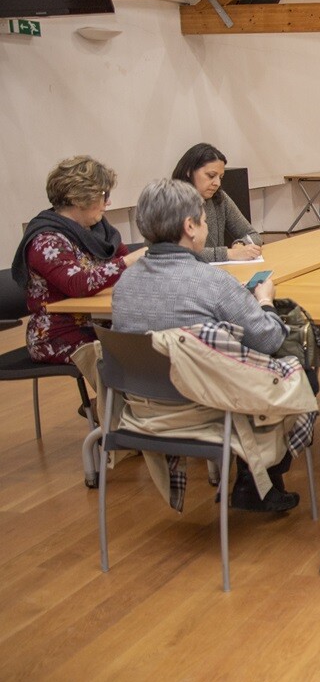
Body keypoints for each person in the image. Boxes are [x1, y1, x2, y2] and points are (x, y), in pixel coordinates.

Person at [112, 178, 309, 513]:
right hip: (206, 403)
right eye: (203, 220)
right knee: (297, 357)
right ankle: (260, 480)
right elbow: (269, 338)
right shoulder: (213, 282)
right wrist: (263, 302)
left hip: (143, 409)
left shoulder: (125, 282)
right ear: (190, 227)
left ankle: (256, 480)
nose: (205, 225)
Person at [11, 156, 145, 366]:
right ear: (80, 197)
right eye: (104, 195)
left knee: (158, 336)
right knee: (137, 350)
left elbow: (129, 268)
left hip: (100, 321)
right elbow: (78, 284)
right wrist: (127, 262)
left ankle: (130, 398)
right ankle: (124, 398)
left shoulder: (100, 230)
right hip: (57, 333)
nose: (108, 202)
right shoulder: (46, 240)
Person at [171, 142, 262, 262]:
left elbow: (252, 234)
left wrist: (241, 244)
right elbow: (177, 252)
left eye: (220, 177)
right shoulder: (171, 202)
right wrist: (228, 253)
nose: (217, 183)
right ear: (189, 171)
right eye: (211, 175)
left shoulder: (219, 197)